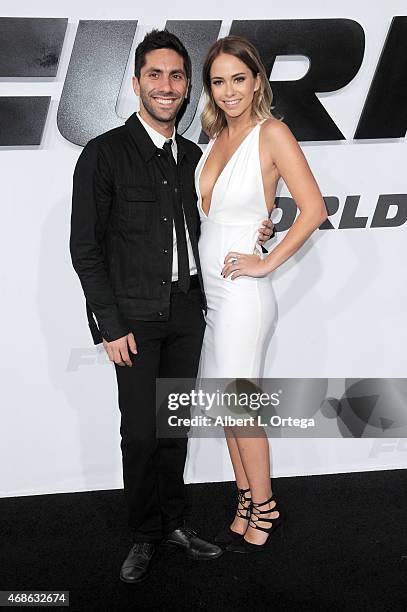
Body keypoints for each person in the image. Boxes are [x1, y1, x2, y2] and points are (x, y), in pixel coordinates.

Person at [69, 29, 274, 583]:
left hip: (189, 313)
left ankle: (175, 523)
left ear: (188, 90)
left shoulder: (194, 158)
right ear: (136, 84)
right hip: (131, 320)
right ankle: (144, 534)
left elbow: (232, 209)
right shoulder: (104, 153)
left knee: (173, 427)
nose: (166, 85)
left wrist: (264, 223)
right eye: (154, 75)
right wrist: (108, 325)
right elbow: (85, 249)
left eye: (177, 76)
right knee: (140, 433)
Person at [195, 35, 328, 553]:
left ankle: (266, 506)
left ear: (256, 82)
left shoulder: (272, 133)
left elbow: (313, 209)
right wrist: (261, 226)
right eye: (218, 82)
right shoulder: (212, 141)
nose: (229, 91)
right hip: (213, 298)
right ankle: (245, 499)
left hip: (245, 298)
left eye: (238, 79)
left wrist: (265, 261)